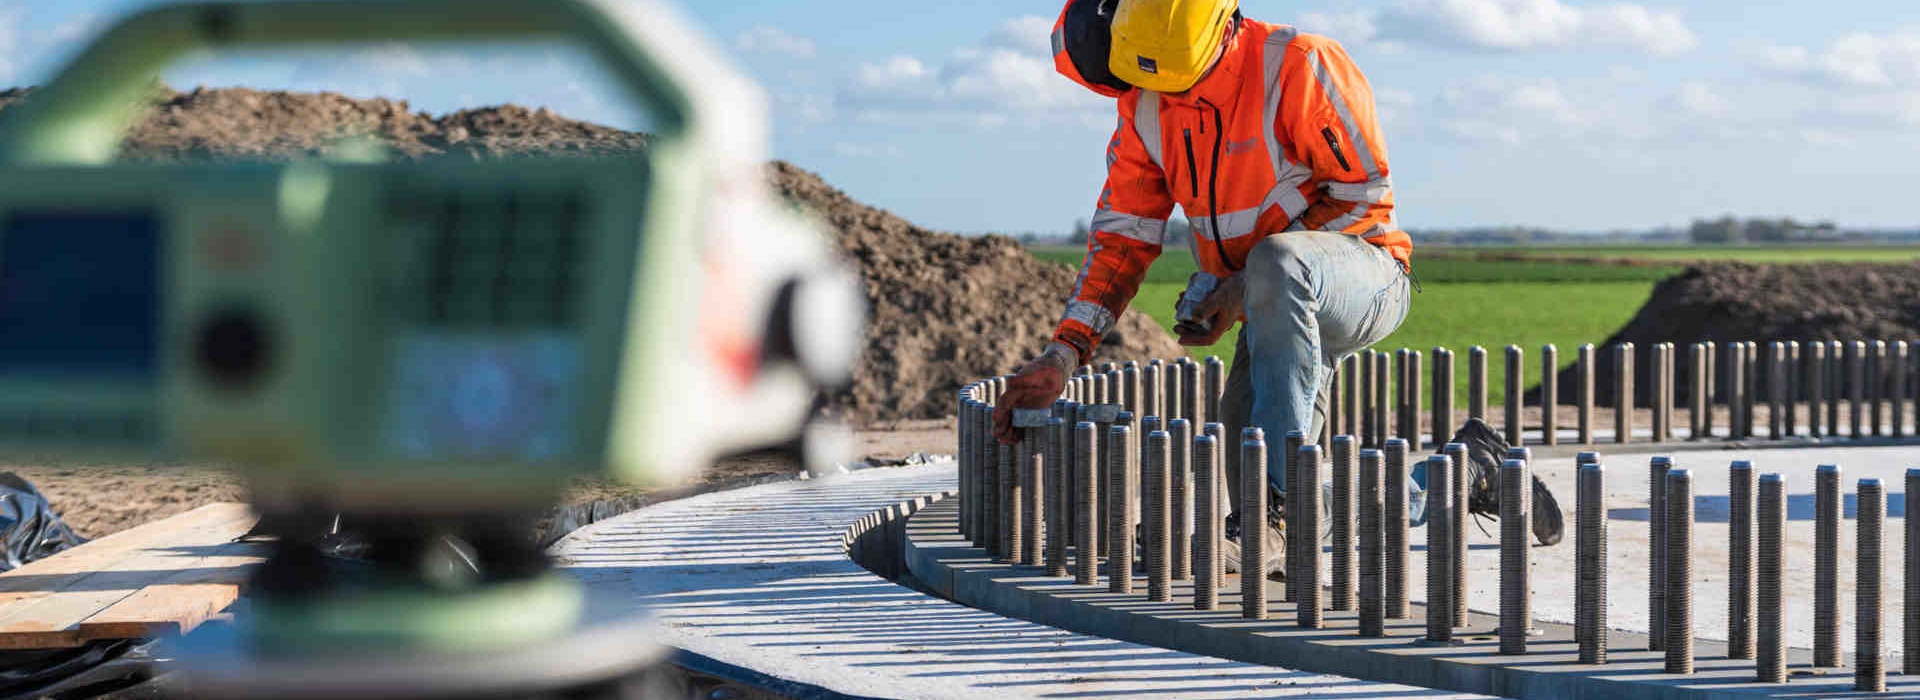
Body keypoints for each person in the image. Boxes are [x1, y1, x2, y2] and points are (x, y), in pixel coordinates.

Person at [994, 0, 1413, 577]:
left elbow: (1363, 201)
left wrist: (1239, 285)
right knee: (1250, 434)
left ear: (1223, 32)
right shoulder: (1145, 103)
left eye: (1186, 82)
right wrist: (1065, 353)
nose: (1171, 98)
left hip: (1365, 277)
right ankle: (1449, 485)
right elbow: (1122, 241)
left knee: (1281, 267)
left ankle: (1275, 516)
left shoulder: (1299, 66)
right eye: (1154, 84)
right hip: (1273, 302)